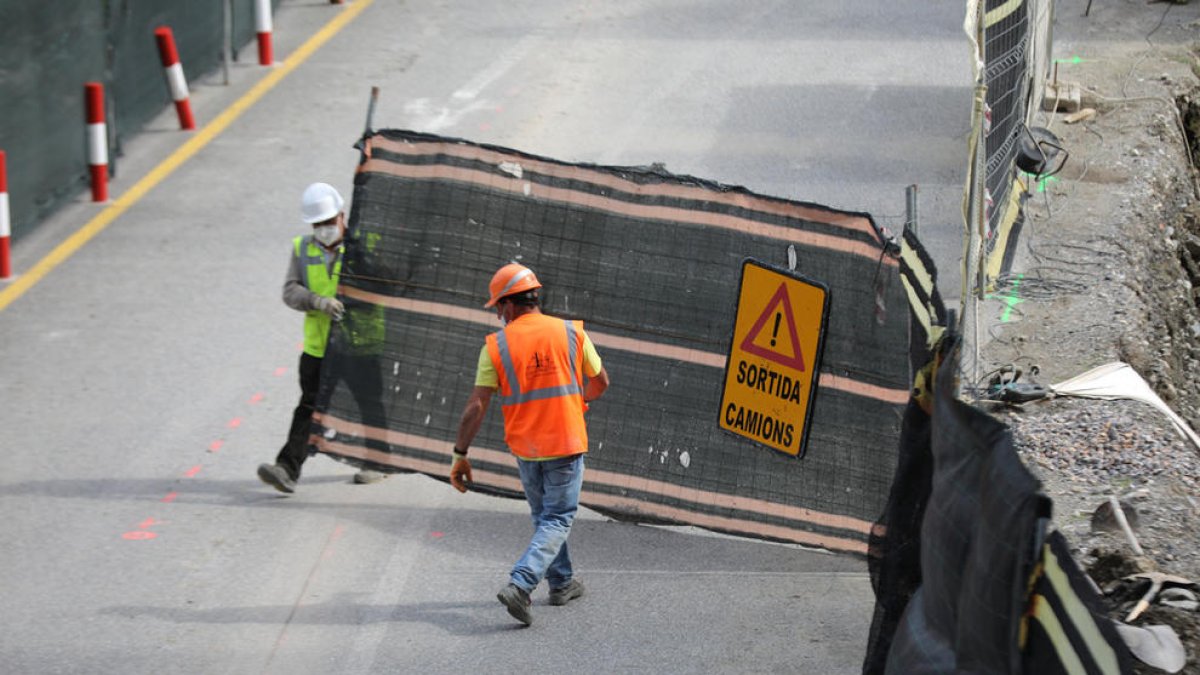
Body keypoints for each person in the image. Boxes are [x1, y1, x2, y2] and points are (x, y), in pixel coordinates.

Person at [449, 263, 610, 627]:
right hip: (565, 441)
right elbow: (600, 382)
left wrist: (460, 454)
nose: (499, 316)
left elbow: (476, 406)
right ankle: (521, 585)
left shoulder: (495, 347)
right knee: (557, 518)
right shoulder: (571, 333)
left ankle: (562, 582)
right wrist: (576, 402)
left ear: (508, 304)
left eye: (498, 308)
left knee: (545, 517)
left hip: (527, 448)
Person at [257, 182, 388, 494]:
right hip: (320, 348)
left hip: (361, 345)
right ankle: (287, 468)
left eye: (329, 223)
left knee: (369, 404)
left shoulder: (364, 244)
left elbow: (385, 283)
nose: (324, 229)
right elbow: (290, 291)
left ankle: (378, 461)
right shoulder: (303, 248)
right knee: (310, 407)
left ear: (342, 217)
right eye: (318, 224)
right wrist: (319, 302)